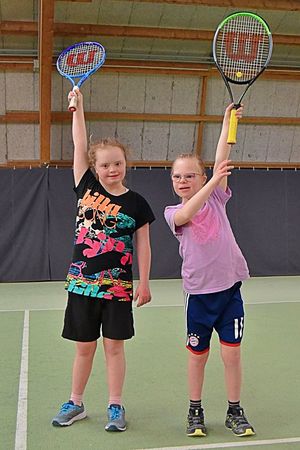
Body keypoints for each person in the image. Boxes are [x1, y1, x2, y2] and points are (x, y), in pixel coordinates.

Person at [52, 88, 155, 432]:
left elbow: (143, 246)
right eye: (105, 164)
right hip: (81, 285)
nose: (112, 169)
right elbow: (79, 144)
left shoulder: (137, 203)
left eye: (118, 163)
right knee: (84, 349)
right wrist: (77, 109)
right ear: (94, 167)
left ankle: (115, 405)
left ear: (126, 164)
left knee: (114, 348)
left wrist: (143, 282)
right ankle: (76, 402)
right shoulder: (87, 188)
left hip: (118, 289)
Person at [164, 104, 255, 438]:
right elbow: (188, 213)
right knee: (198, 356)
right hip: (199, 297)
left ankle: (234, 410)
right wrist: (212, 179)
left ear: (202, 177)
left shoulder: (217, 196)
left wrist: (227, 122)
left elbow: (220, 160)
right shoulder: (173, 210)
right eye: (177, 176)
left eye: (190, 175)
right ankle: (195, 410)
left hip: (229, 293)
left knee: (232, 355)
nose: (183, 180)